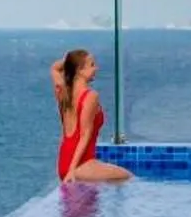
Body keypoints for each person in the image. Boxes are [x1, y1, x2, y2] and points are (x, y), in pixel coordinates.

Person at [52, 48, 131, 183]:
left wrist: (71, 61)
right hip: (81, 164)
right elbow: (85, 135)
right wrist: (72, 170)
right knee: (127, 177)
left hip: (64, 162)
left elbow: (54, 68)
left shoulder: (63, 93)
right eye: (92, 65)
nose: (97, 68)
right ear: (79, 70)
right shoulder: (90, 96)